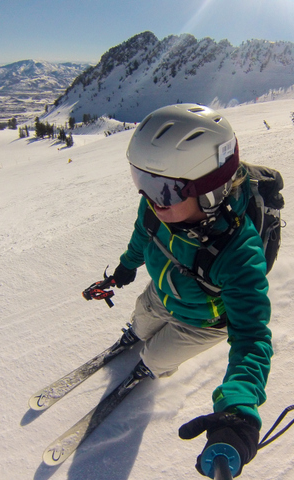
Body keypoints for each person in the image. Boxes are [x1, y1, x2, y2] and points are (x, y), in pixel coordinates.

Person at [108, 103, 273, 477]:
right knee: (142, 316)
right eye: (141, 180)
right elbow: (143, 233)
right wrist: (127, 265)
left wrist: (239, 407)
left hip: (200, 322)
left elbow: (251, 337)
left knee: (157, 355)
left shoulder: (239, 253)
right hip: (161, 293)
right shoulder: (157, 207)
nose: (149, 197)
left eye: (163, 189)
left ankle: (149, 368)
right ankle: (136, 334)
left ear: (209, 192)